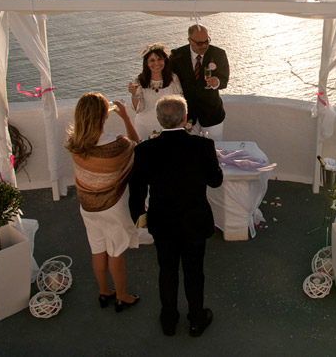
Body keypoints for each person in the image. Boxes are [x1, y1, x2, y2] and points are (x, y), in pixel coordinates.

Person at [128, 95, 223, 337]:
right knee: (194, 271)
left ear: (159, 119)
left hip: (162, 220)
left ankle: (169, 320)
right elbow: (215, 181)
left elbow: (137, 188)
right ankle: (196, 319)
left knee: (167, 270)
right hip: (195, 220)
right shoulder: (203, 147)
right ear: (185, 118)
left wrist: (140, 216)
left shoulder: (145, 150)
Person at [65, 92, 141, 312]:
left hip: (87, 206)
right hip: (113, 206)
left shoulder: (74, 144)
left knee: (97, 249)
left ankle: (104, 290)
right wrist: (126, 118)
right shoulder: (117, 144)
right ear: (103, 116)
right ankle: (122, 296)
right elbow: (137, 145)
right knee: (115, 251)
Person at [169, 24, 229, 140]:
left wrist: (216, 82)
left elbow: (224, 80)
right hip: (186, 115)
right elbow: (167, 78)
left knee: (214, 149)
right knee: (190, 152)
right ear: (190, 40)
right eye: (200, 43)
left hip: (212, 114)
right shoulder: (177, 55)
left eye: (207, 41)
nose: (205, 45)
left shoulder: (218, 54)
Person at [128, 43, 183, 140]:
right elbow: (138, 109)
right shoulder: (139, 81)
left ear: (165, 60)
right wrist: (134, 94)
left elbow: (179, 102)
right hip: (144, 125)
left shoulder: (173, 78)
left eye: (159, 59)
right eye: (152, 60)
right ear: (146, 63)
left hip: (167, 126)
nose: (156, 63)